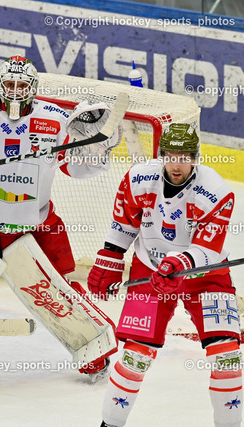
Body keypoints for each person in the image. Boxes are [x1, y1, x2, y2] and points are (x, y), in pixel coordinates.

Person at [0, 55, 120, 379]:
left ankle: (94, 351)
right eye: (9, 84)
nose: (15, 91)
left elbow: (76, 168)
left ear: (33, 87)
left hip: (34, 227)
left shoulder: (55, 120)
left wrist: (96, 150)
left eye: (21, 85)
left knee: (62, 289)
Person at [87, 123, 240, 427]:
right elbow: (124, 224)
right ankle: (110, 424)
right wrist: (111, 257)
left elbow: (208, 248)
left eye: (184, 158)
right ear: (161, 155)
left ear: (195, 157)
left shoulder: (216, 191)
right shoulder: (138, 179)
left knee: (227, 357)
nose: (176, 164)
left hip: (205, 274)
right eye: (171, 157)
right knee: (135, 356)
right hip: (150, 269)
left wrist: (179, 262)